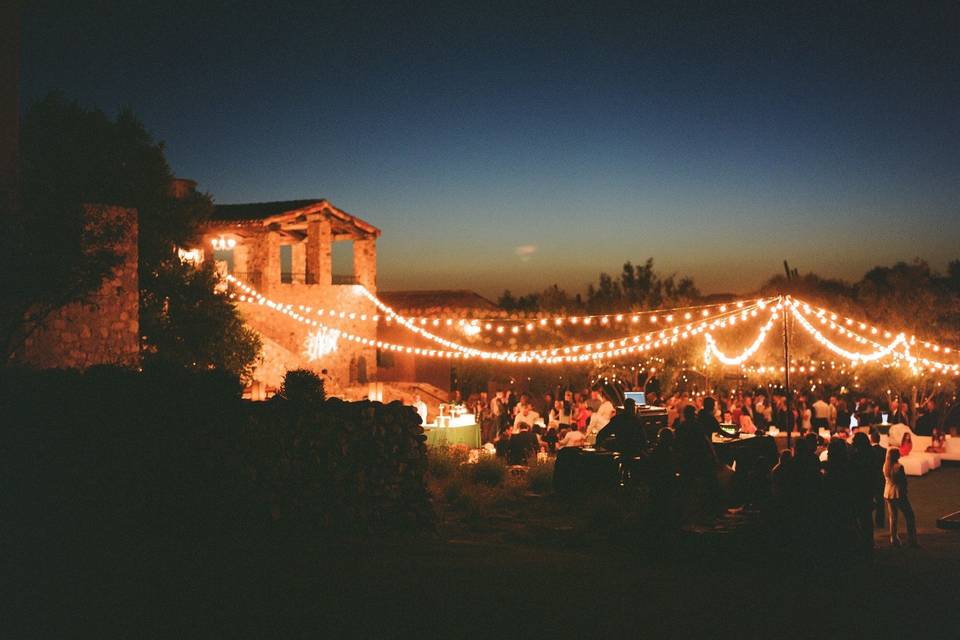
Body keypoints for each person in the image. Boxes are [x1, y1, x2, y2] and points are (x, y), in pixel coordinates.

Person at [883, 448, 918, 548]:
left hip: (888, 493)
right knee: (909, 515)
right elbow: (903, 481)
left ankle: (893, 538)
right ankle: (912, 539)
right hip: (898, 493)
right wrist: (905, 490)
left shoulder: (886, 466)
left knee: (893, 517)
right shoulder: (899, 467)